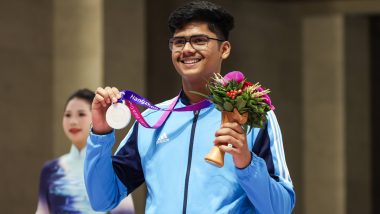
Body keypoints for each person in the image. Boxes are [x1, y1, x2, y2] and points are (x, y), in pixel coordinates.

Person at [84, 1, 295, 213]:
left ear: (224, 49)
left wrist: (246, 163)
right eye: (179, 42)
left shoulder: (253, 115)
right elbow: (102, 200)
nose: (187, 49)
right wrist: (100, 133)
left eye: (199, 40)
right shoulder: (150, 120)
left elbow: (281, 208)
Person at [36, 89, 135, 214]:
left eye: (81, 114)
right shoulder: (50, 169)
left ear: (97, 114)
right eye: (68, 115)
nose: (73, 121)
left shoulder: (111, 167)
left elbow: (124, 212)